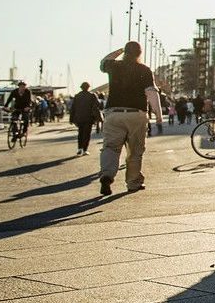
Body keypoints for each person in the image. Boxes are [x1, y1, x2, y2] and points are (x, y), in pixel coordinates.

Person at [98, 41, 163, 196]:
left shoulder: (114, 66)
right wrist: (158, 115)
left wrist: (119, 50)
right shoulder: (144, 70)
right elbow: (151, 93)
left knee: (110, 147)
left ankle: (107, 175)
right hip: (136, 113)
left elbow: (103, 61)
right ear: (140, 54)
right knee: (135, 150)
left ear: (126, 52)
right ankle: (133, 182)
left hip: (114, 112)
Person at [69, 81, 101, 156]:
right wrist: (97, 118)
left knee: (80, 133)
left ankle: (79, 149)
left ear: (81, 87)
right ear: (88, 87)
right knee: (87, 134)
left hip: (79, 118)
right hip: (89, 118)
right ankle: (85, 149)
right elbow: (97, 106)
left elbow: (73, 108)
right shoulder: (92, 95)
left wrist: (71, 119)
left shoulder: (77, 96)